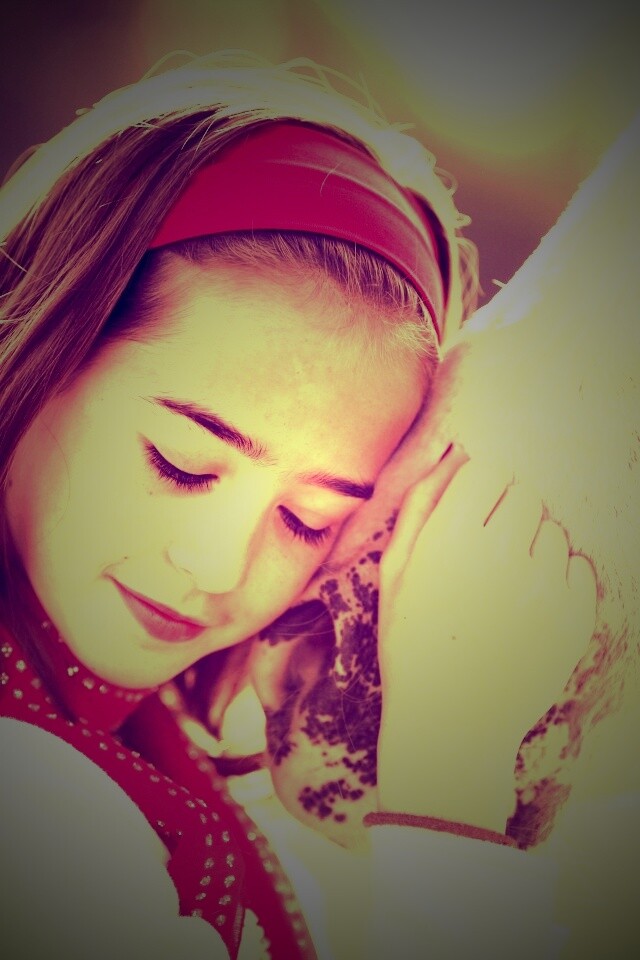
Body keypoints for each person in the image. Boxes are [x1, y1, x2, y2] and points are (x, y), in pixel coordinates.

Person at [0, 51, 597, 958]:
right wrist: (449, 773)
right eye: (181, 464)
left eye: (308, 521)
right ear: (43, 343)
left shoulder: (164, 746)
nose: (217, 569)